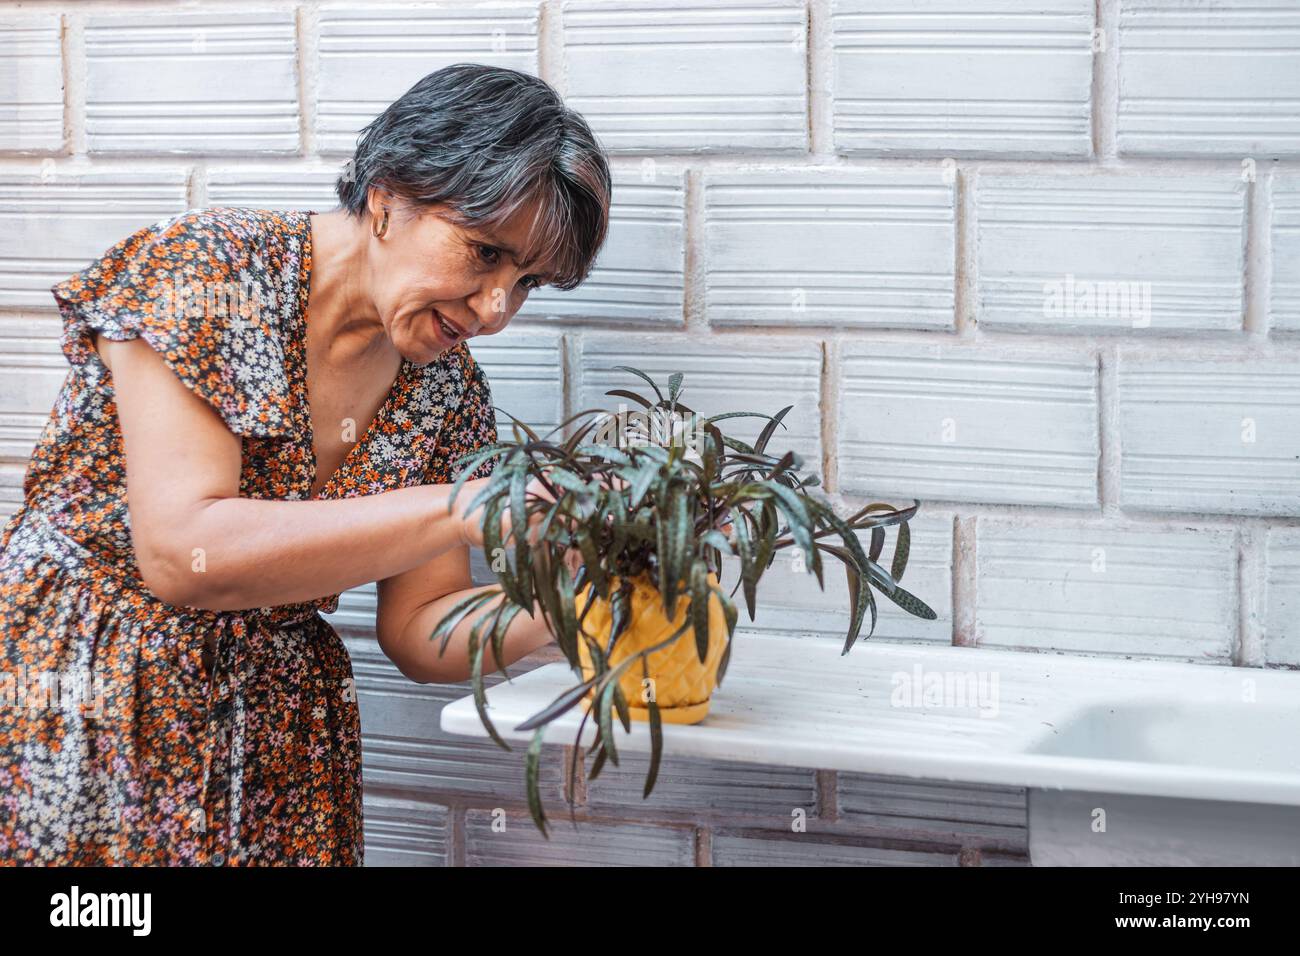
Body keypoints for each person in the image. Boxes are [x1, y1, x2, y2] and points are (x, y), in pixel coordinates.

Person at [0, 63, 612, 866]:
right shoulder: (207, 273)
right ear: (389, 197)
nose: (498, 309)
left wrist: (584, 601)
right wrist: (464, 507)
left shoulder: (448, 389)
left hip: (274, 736)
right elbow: (188, 555)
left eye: (527, 282)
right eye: (485, 253)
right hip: (90, 693)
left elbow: (420, 631)